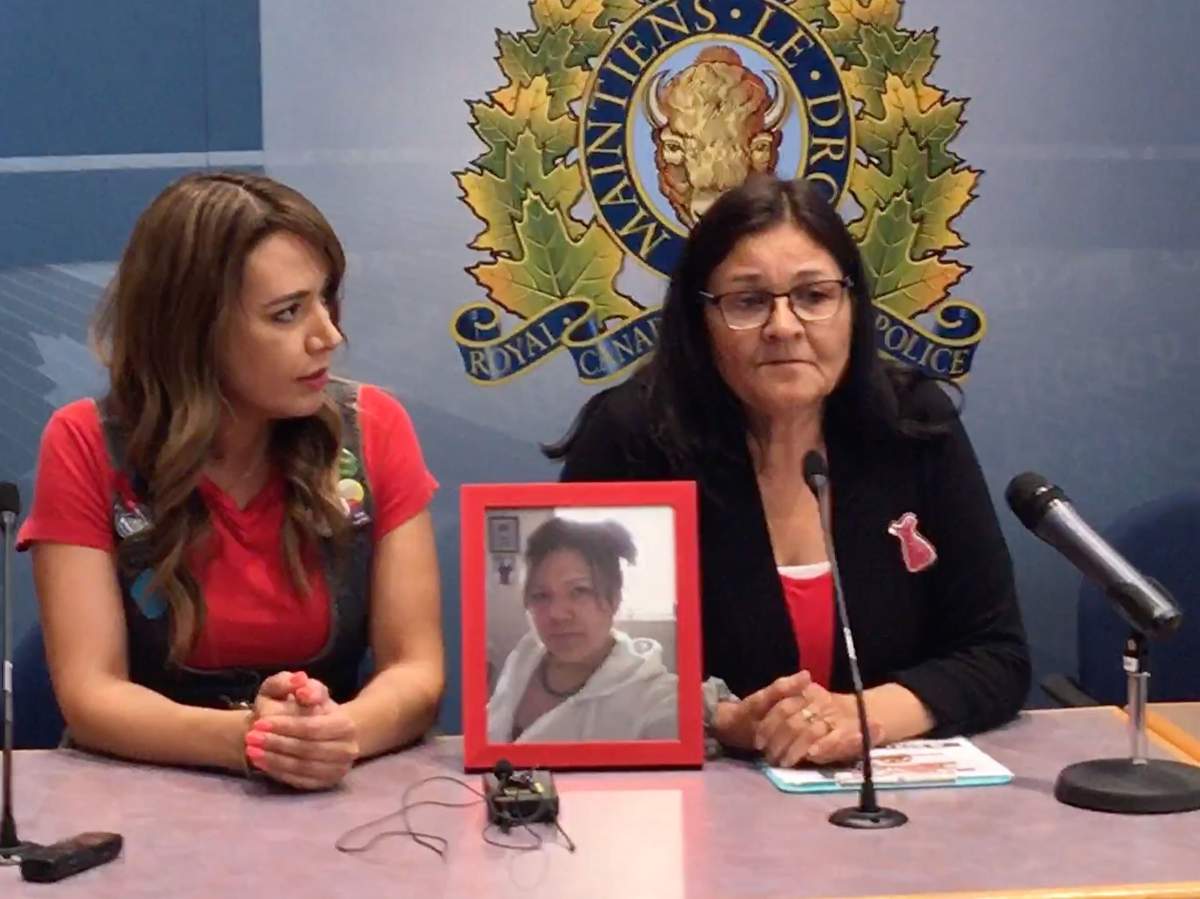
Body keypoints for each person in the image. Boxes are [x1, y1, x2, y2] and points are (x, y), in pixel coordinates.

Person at [548, 174, 1031, 768]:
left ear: (851, 307)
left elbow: (995, 652)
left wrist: (861, 716)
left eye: (813, 295)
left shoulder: (911, 426)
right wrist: (722, 721)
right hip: (692, 811)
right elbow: (578, 664)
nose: (784, 326)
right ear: (701, 321)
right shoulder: (633, 441)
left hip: (897, 812)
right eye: (748, 302)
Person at [17, 172, 444, 790]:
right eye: (288, 313)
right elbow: (91, 694)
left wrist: (337, 734)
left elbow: (418, 670)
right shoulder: (84, 440)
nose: (329, 335)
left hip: (334, 783)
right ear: (195, 332)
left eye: (326, 300)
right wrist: (253, 739)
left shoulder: (375, 426)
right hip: (145, 795)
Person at [487, 517, 678, 742]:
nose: (557, 613)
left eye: (579, 591)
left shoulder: (656, 698)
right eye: (541, 595)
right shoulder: (525, 655)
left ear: (615, 599)